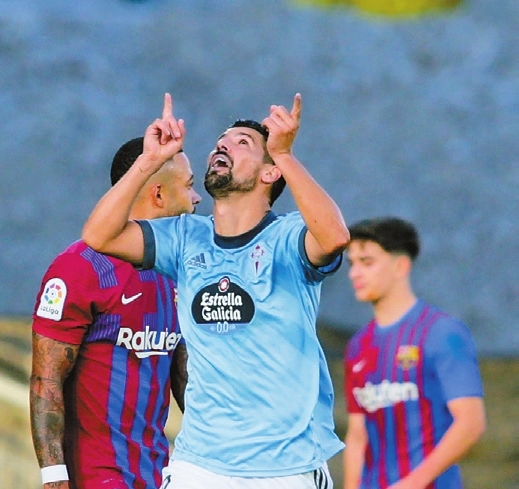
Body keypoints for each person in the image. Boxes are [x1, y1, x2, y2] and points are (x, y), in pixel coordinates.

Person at [81, 92, 350, 489]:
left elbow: (335, 236)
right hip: (199, 465)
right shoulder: (185, 237)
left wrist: (285, 154)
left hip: (285, 467)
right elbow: (98, 236)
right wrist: (149, 161)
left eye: (243, 143)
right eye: (221, 141)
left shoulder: (288, 237)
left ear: (270, 173)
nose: (222, 146)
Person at [30, 137, 201, 489]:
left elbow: (185, 379)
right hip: (94, 478)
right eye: (189, 185)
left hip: (160, 475)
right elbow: (46, 379)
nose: (197, 198)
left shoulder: (178, 270)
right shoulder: (79, 268)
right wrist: (54, 477)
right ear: (158, 194)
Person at [342, 217, 486, 489]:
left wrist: (412, 483)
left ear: (401, 266)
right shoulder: (357, 346)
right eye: (352, 264)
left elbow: (470, 423)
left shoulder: (442, 333)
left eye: (367, 262)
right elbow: (358, 436)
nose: (354, 274)